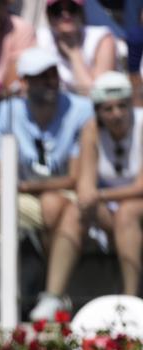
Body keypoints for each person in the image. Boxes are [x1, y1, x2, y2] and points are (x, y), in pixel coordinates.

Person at [0, 47, 94, 321]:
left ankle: (51, 296)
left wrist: (21, 187)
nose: (49, 82)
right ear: (24, 83)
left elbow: (75, 177)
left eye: (52, 74)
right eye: (40, 77)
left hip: (51, 193)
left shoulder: (81, 109)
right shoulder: (9, 110)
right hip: (20, 196)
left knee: (57, 205)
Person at [75, 71, 143, 298]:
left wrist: (100, 195)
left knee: (127, 213)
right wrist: (94, 197)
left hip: (131, 204)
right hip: (113, 207)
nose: (117, 114)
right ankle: (53, 296)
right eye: (108, 108)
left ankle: (130, 295)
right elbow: (85, 188)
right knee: (76, 211)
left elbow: (141, 187)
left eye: (123, 106)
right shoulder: (91, 129)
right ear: (98, 112)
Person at [34, 0, 115, 97]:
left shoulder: (102, 38)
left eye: (72, 9)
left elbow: (97, 96)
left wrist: (74, 54)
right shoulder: (40, 39)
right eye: (57, 10)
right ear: (48, 15)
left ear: (81, 12)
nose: (65, 15)